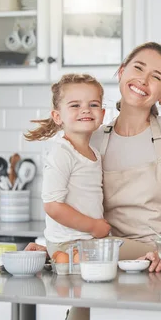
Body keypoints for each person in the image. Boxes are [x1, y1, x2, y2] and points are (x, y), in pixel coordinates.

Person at [53, 42, 161, 320]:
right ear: (121, 72)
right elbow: (74, 205)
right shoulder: (93, 138)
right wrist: (47, 243)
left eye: (157, 76)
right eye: (137, 68)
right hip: (110, 255)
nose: (143, 79)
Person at [24, 73, 110, 263]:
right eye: (75, 105)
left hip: (86, 240)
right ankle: (56, 256)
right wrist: (94, 226)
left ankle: (52, 256)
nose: (86, 110)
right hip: (68, 242)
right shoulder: (62, 153)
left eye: (93, 105)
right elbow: (53, 206)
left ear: (102, 114)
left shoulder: (94, 152)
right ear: (57, 116)